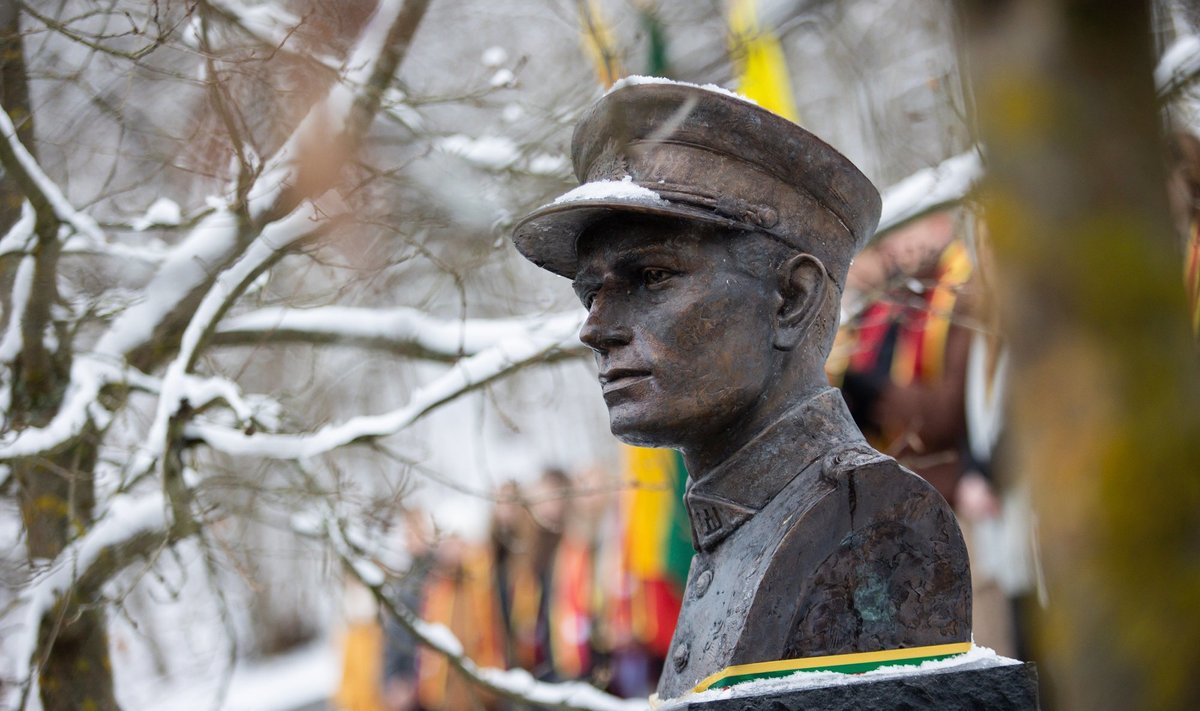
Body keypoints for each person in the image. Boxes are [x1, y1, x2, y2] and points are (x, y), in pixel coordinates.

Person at [511, 79, 971, 700]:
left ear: (790, 299)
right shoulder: (738, 529)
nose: (595, 329)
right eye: (591, 293)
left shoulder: (872, 527)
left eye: (651, 276)